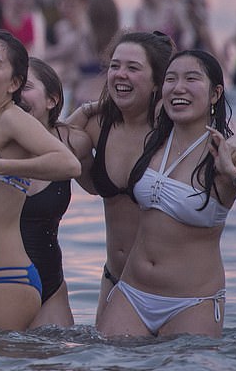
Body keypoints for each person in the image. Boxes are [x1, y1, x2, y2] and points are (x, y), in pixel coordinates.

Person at [99, 50, 236, 337]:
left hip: (192, 303)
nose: (179, 87)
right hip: (131, 295)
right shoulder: (153, 139)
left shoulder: (227, 151)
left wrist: (233, 173)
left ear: (215, 94)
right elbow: (115, 109)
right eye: (171, 79)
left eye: (191, 79)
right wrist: (86, 110)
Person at [0, 30, 80, 331]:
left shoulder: (12, 118)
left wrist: (1, 165)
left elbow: (69, 164)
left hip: (7, 278)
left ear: (14, 83)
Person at [67, 31, 174, 324]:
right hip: (113, 279)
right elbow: (52, 149)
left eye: (133, 68)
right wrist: (84, 110)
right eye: (114, 66)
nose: (120, 75)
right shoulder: (97, 127)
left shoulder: (174, 134)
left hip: (166, 288)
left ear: (157, 82)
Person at [20, 58, 91, 328]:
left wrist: (90, 108)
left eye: (25, 86)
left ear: (52, 99)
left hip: (50, 284)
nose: (16, 94)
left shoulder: (73, 142)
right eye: (12, 87)